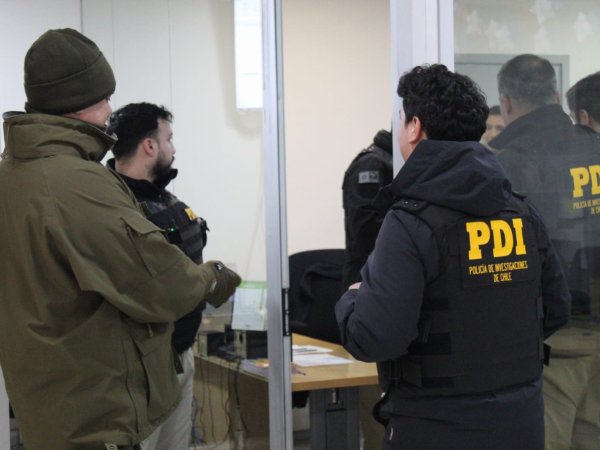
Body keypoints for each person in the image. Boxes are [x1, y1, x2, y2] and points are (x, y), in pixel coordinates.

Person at [0, 28, 241, 450]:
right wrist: (213, 277)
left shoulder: (13, 174)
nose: (110, 111)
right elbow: (160, 283)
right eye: (105, 99)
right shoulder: (79, 184)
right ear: (80, 102)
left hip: (47, 405)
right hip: (95, 414)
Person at [336, 63, 570, 449]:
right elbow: (556, 310)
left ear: (414, 127)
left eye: (401, 119)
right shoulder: (520, 211)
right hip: (521, 422)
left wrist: (351, 299)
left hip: (434, 425)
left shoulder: (410, 221)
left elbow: (376, 338)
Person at [490, 54, 600, 449]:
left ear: (506, 102)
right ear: (555, 95)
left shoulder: (509, 161)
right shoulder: (594, 147)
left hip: (551, 338)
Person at [107, 102, 208, 450]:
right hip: (141, 367)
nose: (173, 148)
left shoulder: (165, 200)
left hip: (180, 353)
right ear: (149, 146)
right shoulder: (112, 205)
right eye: (169, 138)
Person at [341, 129, 393, 449]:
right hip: (372, 295)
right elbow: (367, 236)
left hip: (389, 293)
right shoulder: (372, 166)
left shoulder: (396, 163)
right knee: (379, 415)